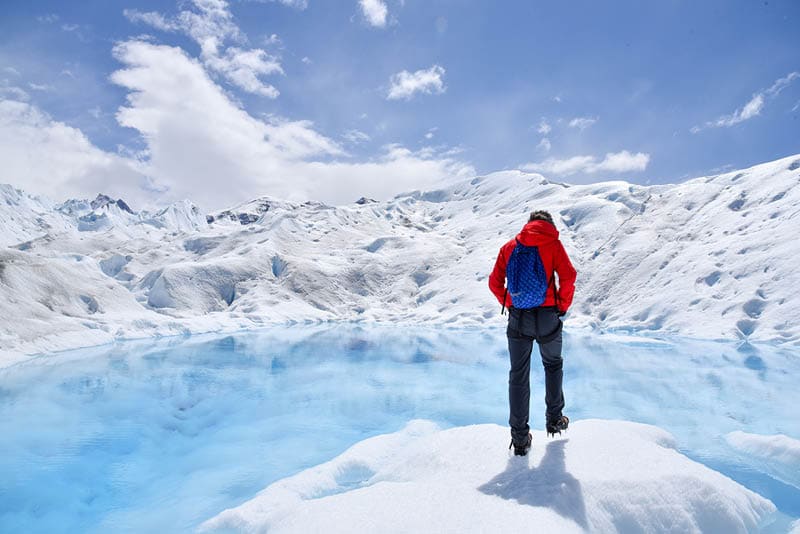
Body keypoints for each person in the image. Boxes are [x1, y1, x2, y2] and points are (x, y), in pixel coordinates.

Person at [488, 210, 577, 456]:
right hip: (548, 315)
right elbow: (568, 276)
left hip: (519, 318)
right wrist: (562, 306)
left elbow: (494, 283)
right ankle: (555, 420)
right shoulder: (553, 244)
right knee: (552, 364)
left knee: (518, 375)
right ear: (549, 225)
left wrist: (511, 305)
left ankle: (519, 439)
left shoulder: (510, 247)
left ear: (528, 224)